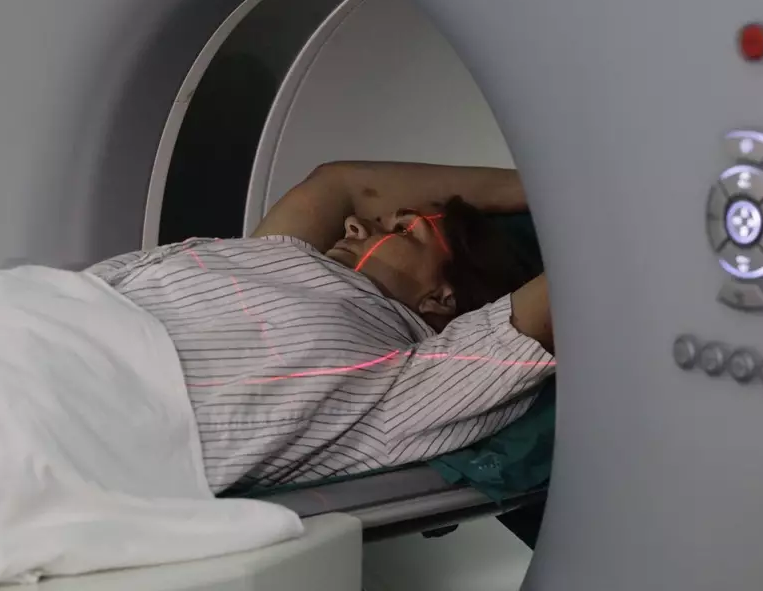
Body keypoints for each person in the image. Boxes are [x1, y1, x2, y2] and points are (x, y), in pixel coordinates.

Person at [87, 161, 555, 494]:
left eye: (402, 231)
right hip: (65, 319)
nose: (352, 225)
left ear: (442, 298)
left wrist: (585, 194)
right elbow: (341, 183)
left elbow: (543, 305)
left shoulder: (406, 377)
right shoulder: (275, 254)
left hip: (96, 426)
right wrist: (551, 183)